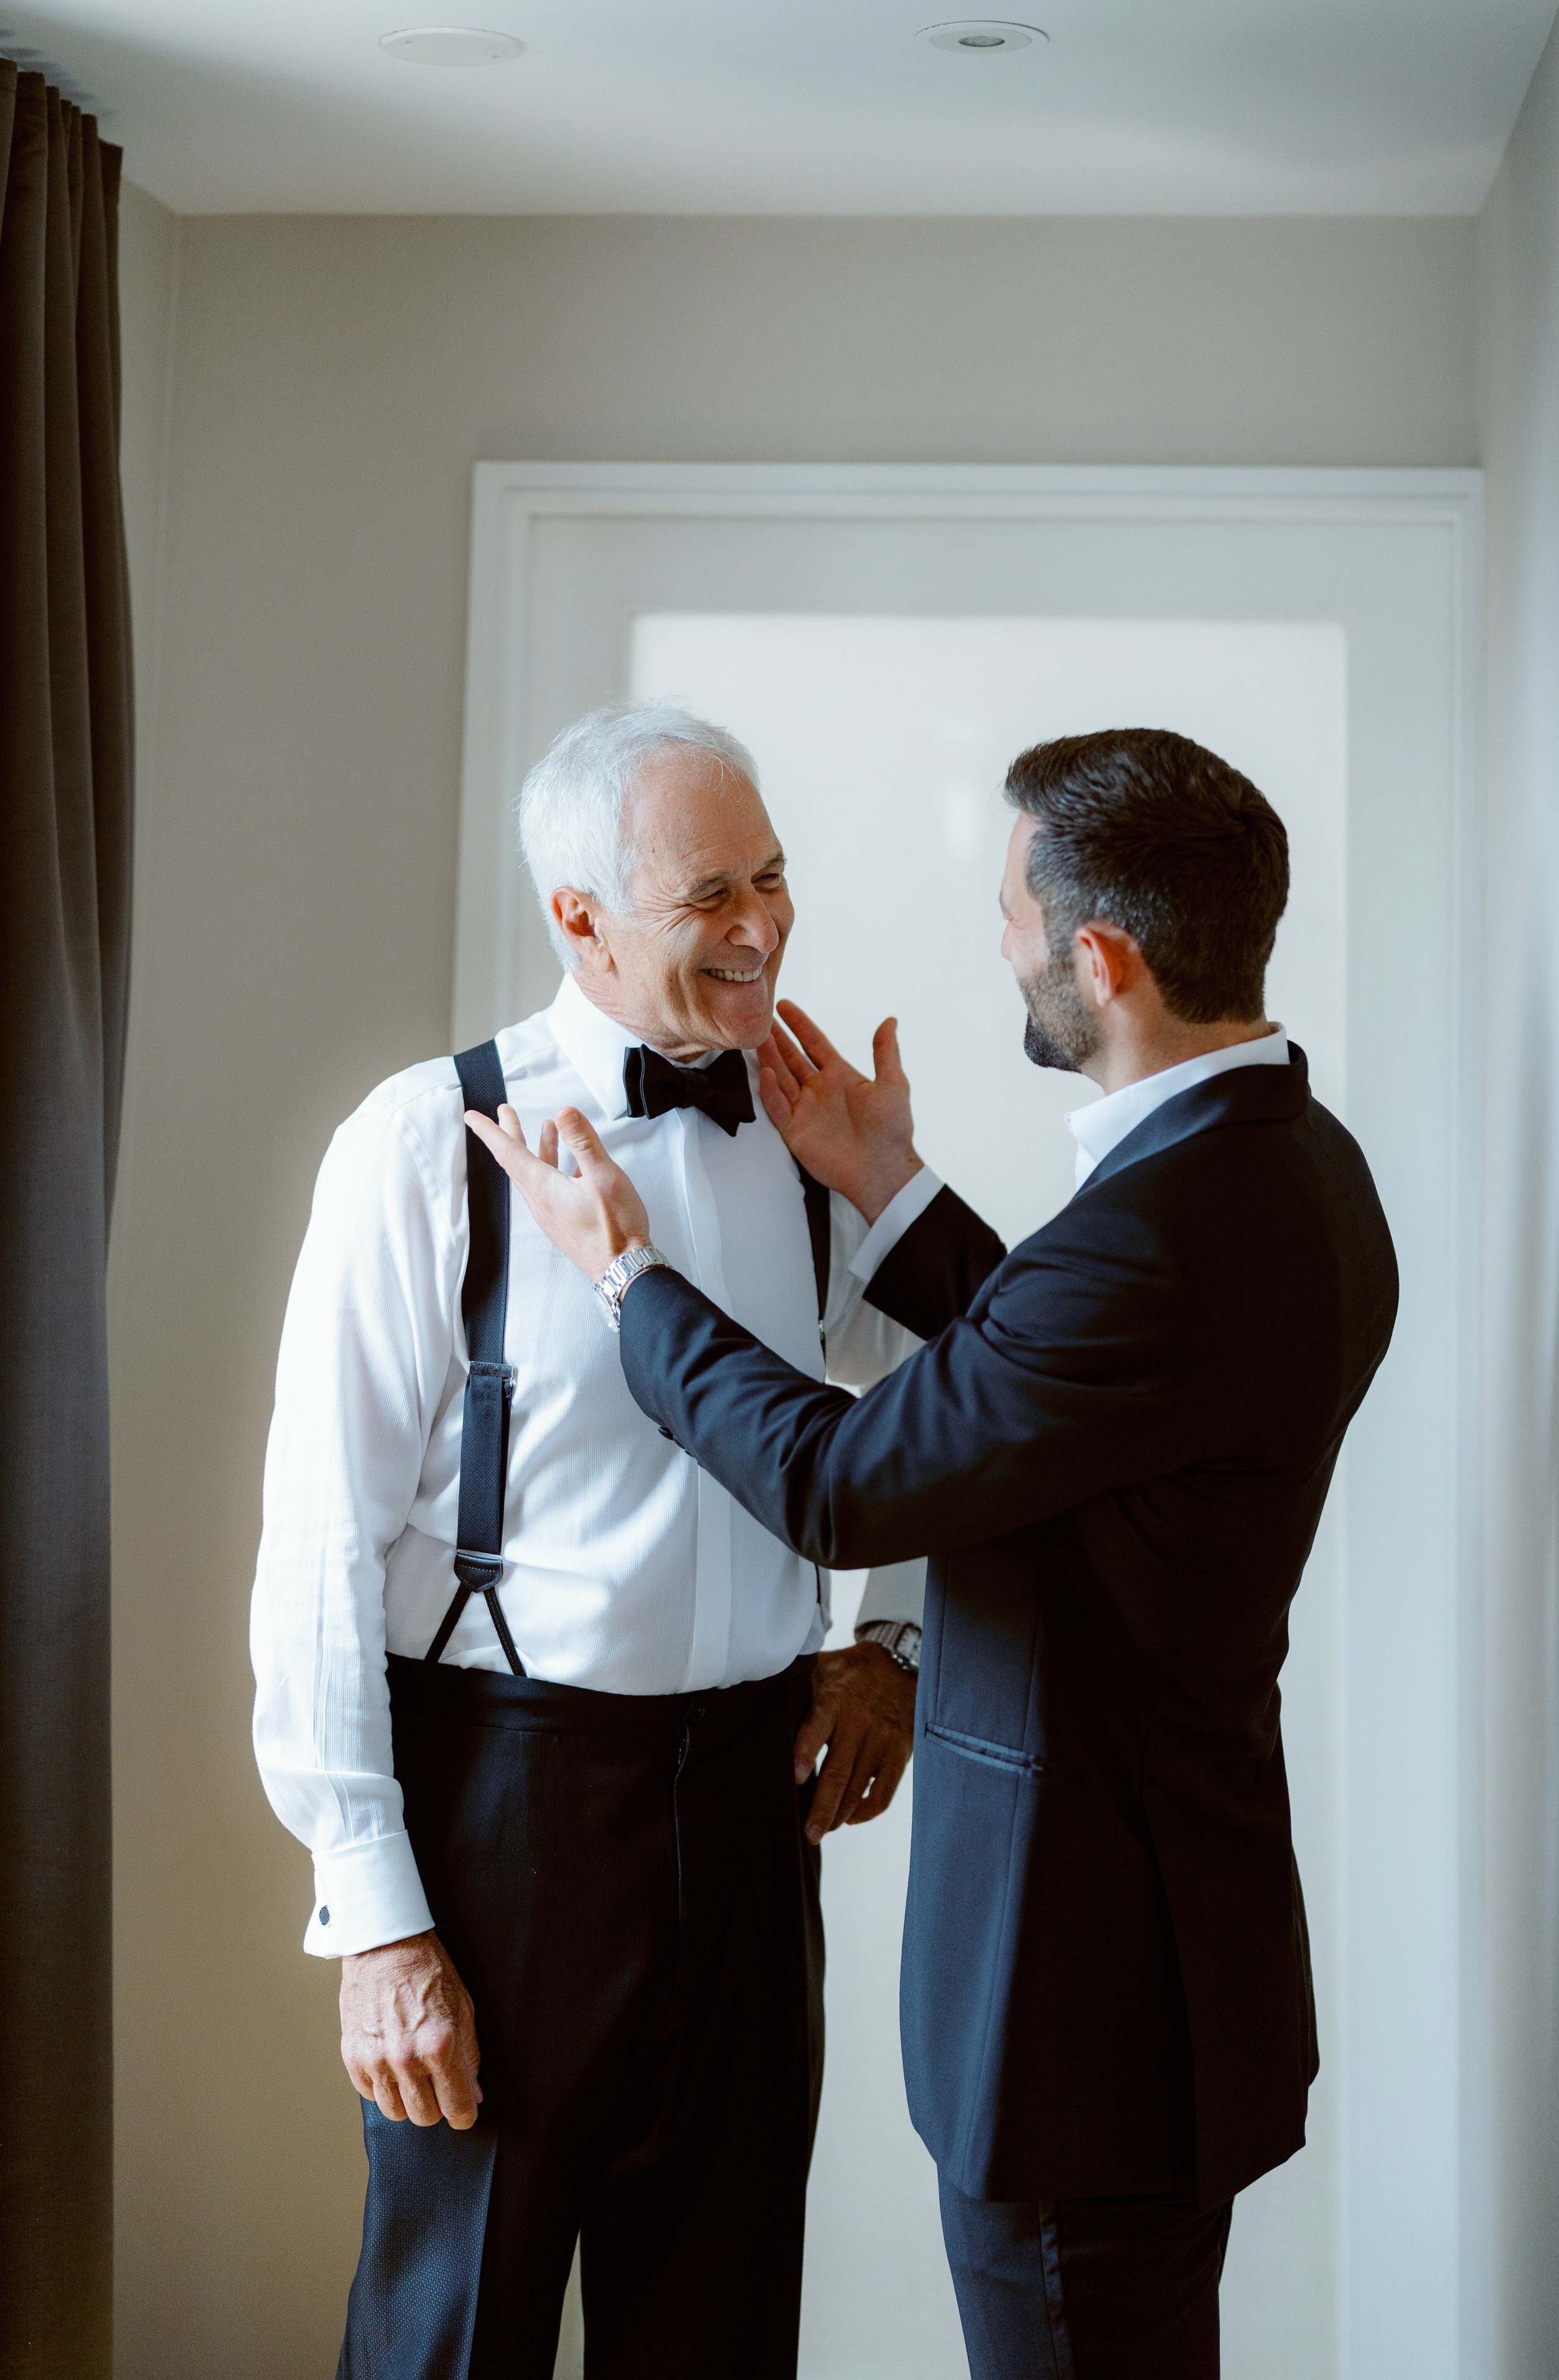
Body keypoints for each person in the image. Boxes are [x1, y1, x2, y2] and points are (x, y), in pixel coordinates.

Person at [464, 726, 1400, 2380]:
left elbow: (846, 1480)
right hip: (1178, 1972)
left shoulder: (1160, 1234)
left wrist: (627, 1278)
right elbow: (1064, 1398)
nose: (1002, 945)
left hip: (1080, 2009)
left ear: (1096, 960)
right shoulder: (1293, 1170)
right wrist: (888, 1187)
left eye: (1014, 917)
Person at [249, 702, 927, 2380]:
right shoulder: (426, 1144)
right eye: (711, 895)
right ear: (580, 920)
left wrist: (889, 1635)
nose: (764, 926)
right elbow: (317, 1553)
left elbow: (924, 1394)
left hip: (753, 1817)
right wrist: (380, 1925)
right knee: (450, 2338)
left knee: (717, 2330)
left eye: (774, 877)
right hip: (505, 1822)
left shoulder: (802, 1132)